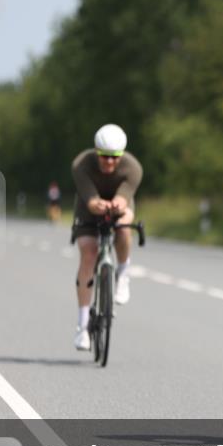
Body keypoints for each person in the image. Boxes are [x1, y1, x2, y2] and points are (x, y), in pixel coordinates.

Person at [71, 124, 143, 351]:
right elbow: (91, 203)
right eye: (104, 156)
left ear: (122, 155)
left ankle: (123, 273)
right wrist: (97, 205)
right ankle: (83, 328)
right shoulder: (81, 164)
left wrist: (117, 206)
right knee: (89, 253)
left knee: (123, 226)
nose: (109, 162)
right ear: (95, 151)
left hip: (118, 205)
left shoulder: (133, 168)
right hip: (88, 207)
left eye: (114, 157)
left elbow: (123, 200)